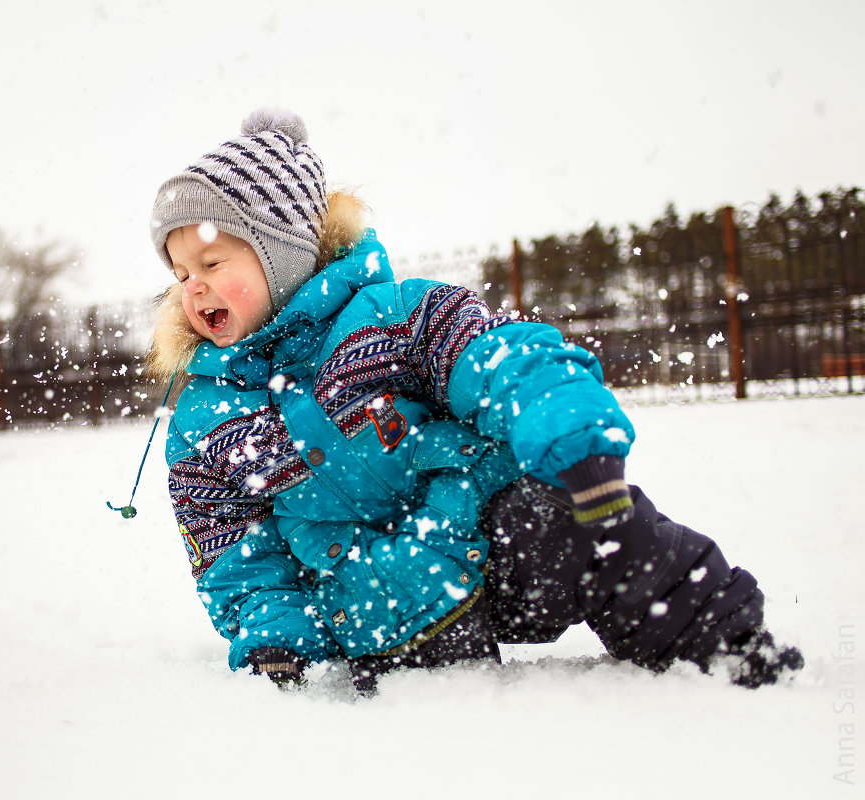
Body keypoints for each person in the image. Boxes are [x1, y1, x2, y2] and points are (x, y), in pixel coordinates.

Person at [144, 108, 802, 693]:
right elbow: (234, 553)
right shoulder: (207, 421)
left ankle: (720, 644)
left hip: (490, 536)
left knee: (588, 523)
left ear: (282, 253)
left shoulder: (391, 321)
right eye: (179, 275)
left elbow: (503, 361)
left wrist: (572, 439)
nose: (192, 290)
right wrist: (279, 641)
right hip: (377, 608)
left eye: (211, 264)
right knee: (437, 708)